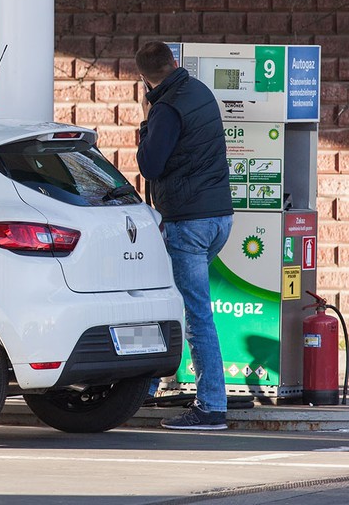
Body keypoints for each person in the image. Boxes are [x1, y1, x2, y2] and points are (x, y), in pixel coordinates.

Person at [135, 40, 234, 431]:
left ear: (144, 78)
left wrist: (145, 121)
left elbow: (149, 165)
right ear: (174, 62)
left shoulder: (165, 110)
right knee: (173, 302)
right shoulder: (199, 91)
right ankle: (150, 382)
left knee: (195, 315)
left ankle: (211, 407)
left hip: (188, 224)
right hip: (219, 220)